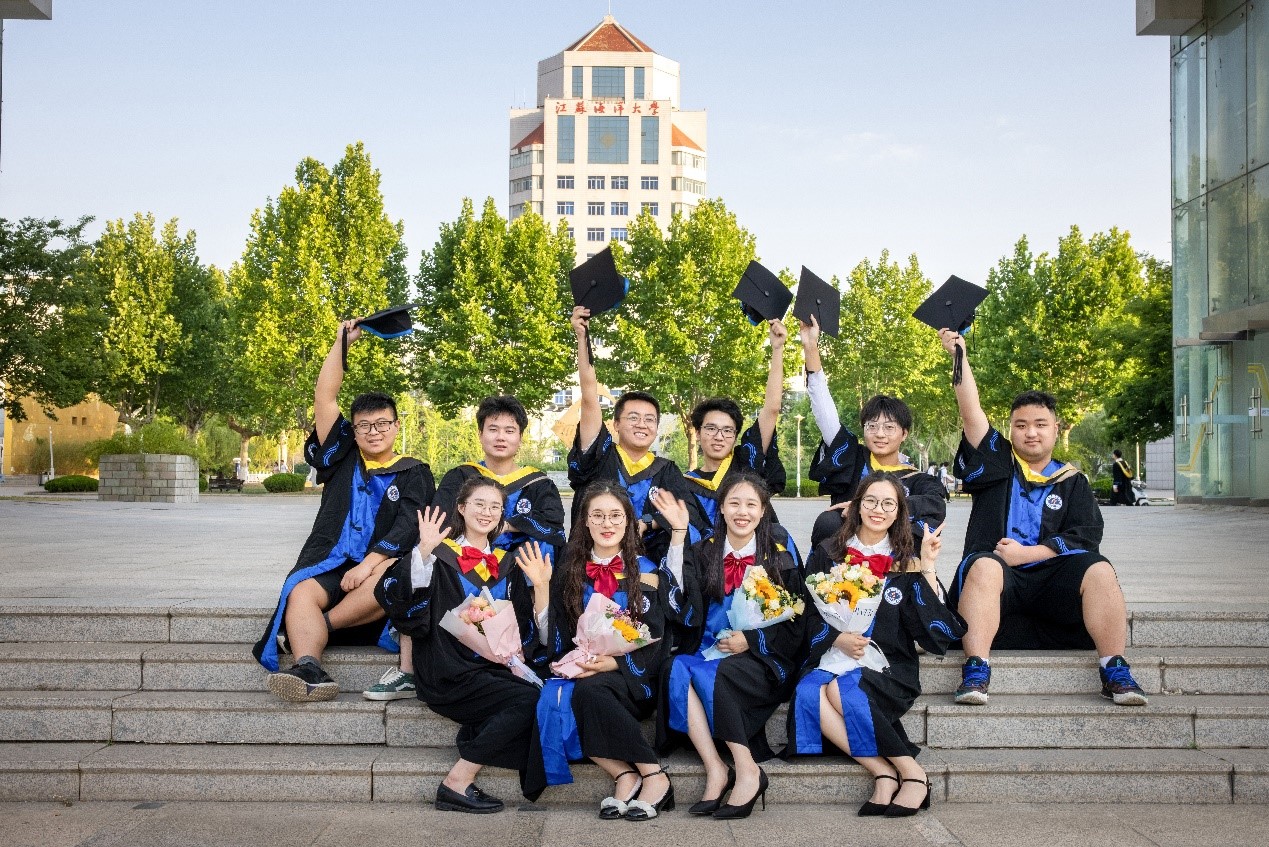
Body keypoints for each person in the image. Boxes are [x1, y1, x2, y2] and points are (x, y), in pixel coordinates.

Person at [937, 328, 1147, 706]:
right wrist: (959, 357)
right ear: (1010, 430)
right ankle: (976, 669)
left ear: (1056, 428)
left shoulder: (1072, 480)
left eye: (1040, 424)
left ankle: (1114, 668)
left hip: (1054, 588)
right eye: (1020, 425)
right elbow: (971, 412)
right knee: (984, 565)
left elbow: (1086, 535)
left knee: (1099, 569)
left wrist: (1029, 554)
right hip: (998, 585)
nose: (1030, 432)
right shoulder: (998, 463)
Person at [253, 320, 434, 701]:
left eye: (382, 423)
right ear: (352, 430)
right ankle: (309, 668)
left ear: (396, 426)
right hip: (331, 559)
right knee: (301, 590)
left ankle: (315, 628)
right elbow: (325, 396)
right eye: (364, 425)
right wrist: (342, 343)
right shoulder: (343, 459)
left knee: (392, 573)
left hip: (376, 571)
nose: (373, 431)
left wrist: (367, 565)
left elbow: (408, 526)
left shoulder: (414, 472)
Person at [364, 395, 565, 701]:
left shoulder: (538, 483)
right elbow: (441, 521)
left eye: (509, 430)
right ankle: (408, 670)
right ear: (481, 434)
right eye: (492, 429)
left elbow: (554, 525)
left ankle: (529, 649)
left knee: (544, 555)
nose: (500, 437)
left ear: (520, 438)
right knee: (422, 559)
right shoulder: (460, 476)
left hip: (509, 566)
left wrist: (505, 525)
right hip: (463, 557)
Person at [786, 474, 963, 817]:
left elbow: (931, 623)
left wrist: (927, 567)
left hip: (887, 663)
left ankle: (913, 774)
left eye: (888, 503)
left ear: (899, 512)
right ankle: (882, 771)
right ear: (856, 505)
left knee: (842, 690)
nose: (877, 509)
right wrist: (837, 638)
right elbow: (807, 612)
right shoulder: (829, 552)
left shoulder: (906, 559)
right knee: (807, 691)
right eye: (870, 501)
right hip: (833, 653)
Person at [376, 478, 551, 813]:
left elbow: (525, 630)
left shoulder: (507, 564)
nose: (487, 512)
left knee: (544, 692)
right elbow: (403, 603)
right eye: (479, 504)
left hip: (492, 669)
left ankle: (476, 735)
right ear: (461, 507)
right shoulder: (439, 555)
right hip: (447, 668)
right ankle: (457, 781)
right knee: (528, 700)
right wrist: (422, 551)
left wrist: (540, 589)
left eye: (495, 506)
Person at [525, 483, 677, 820]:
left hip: (633, 680)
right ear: (585, 522)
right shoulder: (569, 572)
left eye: (615, 516)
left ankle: (652, 774)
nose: (607, 523)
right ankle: (624, 775)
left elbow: (656, 638)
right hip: (584, 670)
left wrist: (614, 663)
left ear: (628, 522)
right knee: (562, 694)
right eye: (597, 515)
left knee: (588, 691)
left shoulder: (648, 572)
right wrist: (541, 588)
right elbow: (553, 637)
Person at [657, 473, 803, 819]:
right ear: (720, 508)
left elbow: (797, 621)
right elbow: (677, 600)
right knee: (675, 667)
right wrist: (678, 534)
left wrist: (750, 640)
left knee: (714, 674)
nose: (742, 512)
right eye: (734, 503)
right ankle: (716, 768)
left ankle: (747, 768)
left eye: (751, 504)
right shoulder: (704, 551)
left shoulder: (779, 557)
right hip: (708, 647)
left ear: (763, 510)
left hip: (761, 658)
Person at [567, 305, 707, 563]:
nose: (642, 424)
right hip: (589, 565)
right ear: (616, 424)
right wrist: (582, 337)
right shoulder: (600, 457)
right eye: (633, 418)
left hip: (647, 568)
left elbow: (686, 515)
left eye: (649, 419)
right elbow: (589, 396)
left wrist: (648, 522)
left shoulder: (666, 471)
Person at [799, 316, 947, 549]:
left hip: (893, 561)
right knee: (828, 522)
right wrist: (810, 347)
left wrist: (867, 507)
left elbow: (935, 506)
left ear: (904, 434)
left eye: (889, 427)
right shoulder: (852, 458)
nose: (880, 434)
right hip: (846, 559)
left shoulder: (919, 480)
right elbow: (824, 412)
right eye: (872, 426)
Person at [683, 320, 799, 558]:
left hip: (758, 558)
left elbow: (772, 409)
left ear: (735, 436)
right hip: (708, 562)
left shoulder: (746, 461)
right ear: (698, 432)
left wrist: (777, 349)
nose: (719, 436)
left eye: (727, 431)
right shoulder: (685, 483)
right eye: (711, 428)